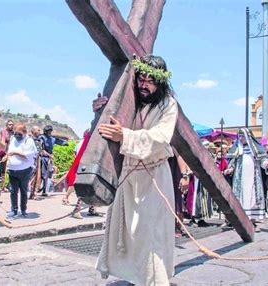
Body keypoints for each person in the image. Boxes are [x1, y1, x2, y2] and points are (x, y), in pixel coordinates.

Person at [94, 54, 177, 285]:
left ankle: (154, 281)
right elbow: (107, 128)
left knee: (150, 234)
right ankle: (135, 276)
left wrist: (126, 136)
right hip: (129, 176)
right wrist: (100, 110)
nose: (144, 84)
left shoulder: (167, 105)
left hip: (154, 178)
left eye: (151, 80)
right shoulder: (129, 102)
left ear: (160, 82)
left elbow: (161, 138)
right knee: (129, 234)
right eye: (141, 78)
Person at [224, 129, 268, 231]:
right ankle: (241, 223)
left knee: (253, 198)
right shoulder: (237, 149)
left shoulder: (255, 149)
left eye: (243, 136)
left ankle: (252, 223)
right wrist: (230, 169)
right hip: (240, 179)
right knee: (240, 199)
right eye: (239, 136)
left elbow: (263, 159)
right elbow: (233, 163)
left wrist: (267, 164)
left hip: (253, 178)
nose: (241, 138)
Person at [6, 123, 37, 218]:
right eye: (15, 133)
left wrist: (15, 153)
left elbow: (27, 155)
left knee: (23, 190)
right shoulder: (12, 139)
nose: (17, 135)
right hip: (12, 170)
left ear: (24, 132)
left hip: (24, 171)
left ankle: (23, 210)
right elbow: (8, 151)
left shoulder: (29, 141)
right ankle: (14, 210)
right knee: (13, 191)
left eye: (19, 133)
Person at [38, 125, 68, 196]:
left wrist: (65, 143)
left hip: (49, 159)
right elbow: (41, 149)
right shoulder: (42, 138)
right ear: (45, 131)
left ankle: (44, 190)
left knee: (48, 175)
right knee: (42, 175)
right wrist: (49, 155)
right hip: (42, 158)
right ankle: (38, 189)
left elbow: (61, 142)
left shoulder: (52, 139)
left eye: (50, 131)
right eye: (48, 131)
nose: (50, 132)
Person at [28, 126, 43, 199]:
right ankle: (28, 192)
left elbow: (41, 151)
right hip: (31, 160)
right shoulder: (29, 140)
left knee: (36, 177)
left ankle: (33, 193)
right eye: (38, 130)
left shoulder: (39, 141)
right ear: (33, 131)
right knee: (30, 176)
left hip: (37, 159)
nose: (40, 131)